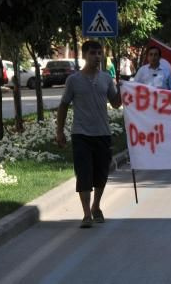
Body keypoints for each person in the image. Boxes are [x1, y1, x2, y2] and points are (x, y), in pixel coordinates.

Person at [55, 40, 122, 228]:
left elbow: (116, 103)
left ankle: (96, 206)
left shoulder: (106, 79)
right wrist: (59, 131)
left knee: (101, 173)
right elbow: (63, 106)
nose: (97, 57)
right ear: (85, 55)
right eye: (93, 53)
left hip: (102, 133)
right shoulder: (74, 80)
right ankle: (86, 214)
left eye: (100, 53)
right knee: (83, 174)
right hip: (81, 134)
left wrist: (122, 89)